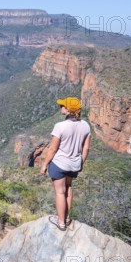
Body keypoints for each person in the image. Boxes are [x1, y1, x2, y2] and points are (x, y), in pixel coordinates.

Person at [40, 97, 91, 231]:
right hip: (74, 164)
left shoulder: (60, 126)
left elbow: (52, 149)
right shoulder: (86, 125)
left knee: (60, 192)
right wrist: (81, 163)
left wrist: (44, 165)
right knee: (68, 188)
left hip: (59, 164)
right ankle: (67, 218)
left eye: (62, 105)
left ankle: (61, 223)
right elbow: (86, 149)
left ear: (68, 110)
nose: (60, 107)